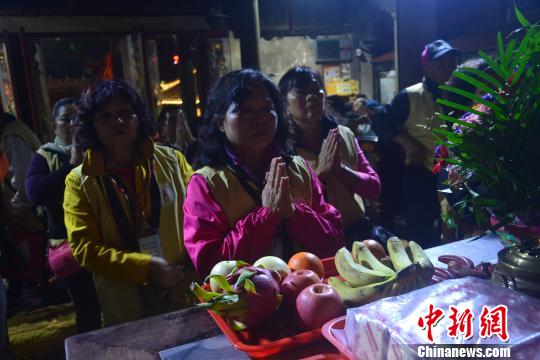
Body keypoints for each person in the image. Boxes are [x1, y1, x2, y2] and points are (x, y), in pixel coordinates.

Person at [184, 69, 345, 277]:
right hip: (247, 304)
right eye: (246, 110)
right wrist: (266, 217)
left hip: (307, 292)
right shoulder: (205, 183)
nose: (260, 120)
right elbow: (210, 265)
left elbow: (335, 243)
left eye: (267, 109)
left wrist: (296, 215)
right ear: (220, 123)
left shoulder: (300, 169)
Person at [63, 80, 196, 326]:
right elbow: (85, 250)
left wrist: (191, 262)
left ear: (139, 117)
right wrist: (146, 267)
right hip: (125, 305)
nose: (118, 121)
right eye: (106, 116)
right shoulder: (79, 181)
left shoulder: (173, 161)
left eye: (125, 112)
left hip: (182, 288)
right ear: (92, 125)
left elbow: (197, 217)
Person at [278, 66, 382, 247]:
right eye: (301, 92)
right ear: (285, 102)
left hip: (355, 236)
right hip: (310, 244)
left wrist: (341, 171)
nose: (311, 97)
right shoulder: (281, 147)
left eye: (315, 90)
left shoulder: (343, 135)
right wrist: (321, 174)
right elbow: (287, 209)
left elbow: (374, 188)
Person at [25, 98, 102, 333]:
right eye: (65, 119)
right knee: (87, 307)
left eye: (77, 118)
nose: (72, 124)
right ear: (53, 124)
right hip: (71, 246)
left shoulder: (99, 150)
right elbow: (35, 192)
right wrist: (72, 164)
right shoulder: (46, 155)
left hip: (103, 241)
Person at [382, 39, 460, 248]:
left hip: (455, 175)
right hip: (422, 174)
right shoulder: (410, 96)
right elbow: (382, 123)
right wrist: (405, 141)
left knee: (455, 231)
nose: (449, 68)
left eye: (451, 62)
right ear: (426, 65)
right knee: (422, 233)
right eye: (441, 63)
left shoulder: (460, 93)